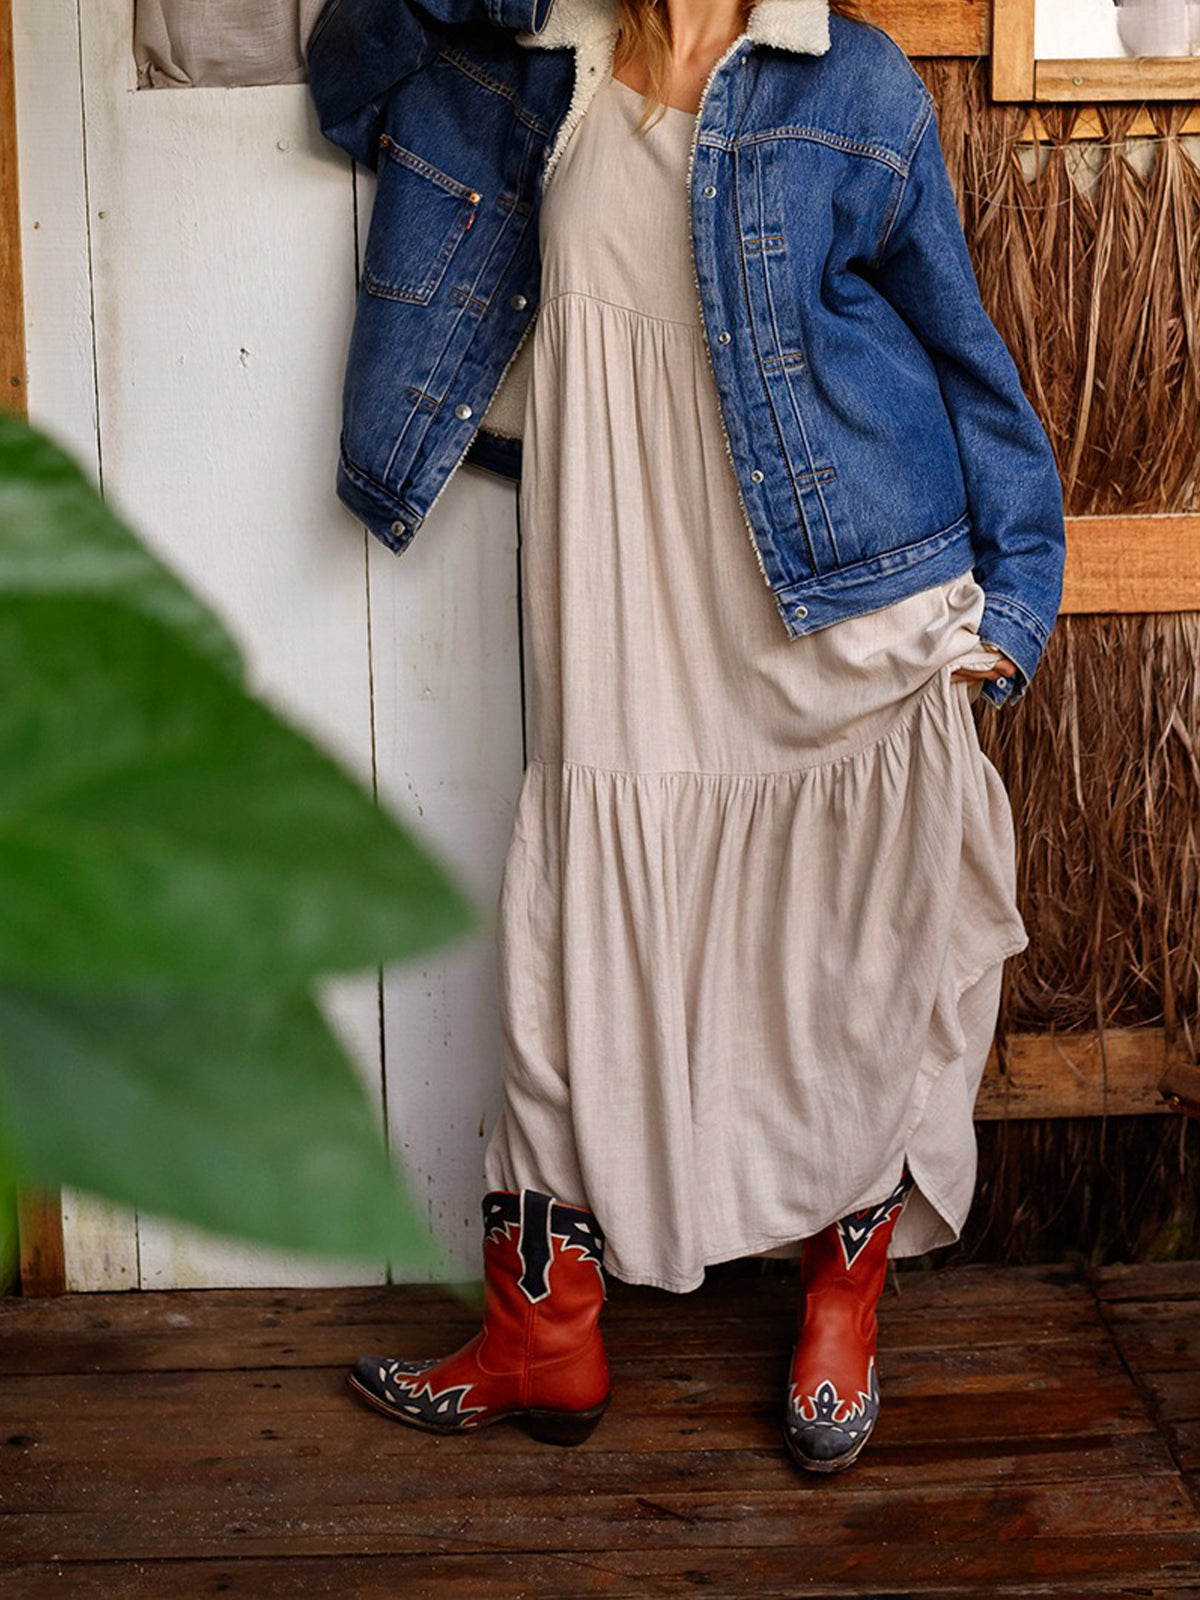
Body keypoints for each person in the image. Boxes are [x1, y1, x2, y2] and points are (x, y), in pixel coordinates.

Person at [313, 0, 1064, 1474]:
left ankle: (841, 1305)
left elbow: (961, 348)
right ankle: (542, 1332)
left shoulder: (852, 83)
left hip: (826, 599)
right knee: (581, 936)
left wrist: (1019, 590)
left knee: (845, 953)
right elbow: (350, 82)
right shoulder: (541, 55)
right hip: (621, 597)